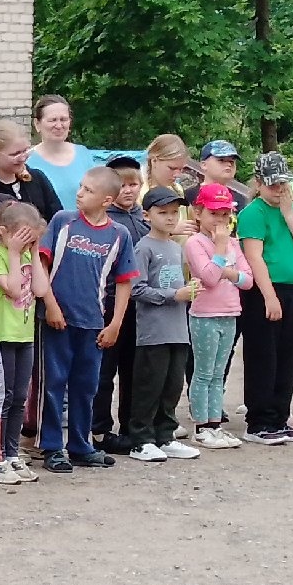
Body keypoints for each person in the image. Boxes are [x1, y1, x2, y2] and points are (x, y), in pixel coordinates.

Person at [37, 164, 135, 472]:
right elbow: (41, 264)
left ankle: (81, 444)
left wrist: (115, 322)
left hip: (93, 323)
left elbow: (123, 281)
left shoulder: (119, 234)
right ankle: (52, 446)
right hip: (57, 321)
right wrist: (50, 305)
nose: (80, 194)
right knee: (53, 384)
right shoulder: (62, 221)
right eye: (80, 187)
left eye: (88, 190)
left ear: (107, 200)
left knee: (86, 386)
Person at [235, 152, 293, 444]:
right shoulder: (252, 213)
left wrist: (289, 213)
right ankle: (259, 421)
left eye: (282, 184)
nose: (277, 190)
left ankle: (280, 416)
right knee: (264, 356)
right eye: (272, 185)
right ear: (258, 183)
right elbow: (254, 257)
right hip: (265, 289)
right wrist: (269, 297)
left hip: (292, 289)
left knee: (288, 356)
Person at [124, 186, 201, 461]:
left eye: (174, 213)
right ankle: (140, 439)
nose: (170, 218)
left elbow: (178, 283)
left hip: (178, 330)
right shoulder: (143, 247)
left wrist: (190, 288)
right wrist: (174, 295)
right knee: (149, 386)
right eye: (163, 212)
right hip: (153, 332)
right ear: (147, 215)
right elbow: (137, 289)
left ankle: (165, 435)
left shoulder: (174, 247)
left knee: (172, 386)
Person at [0, 203, 44, 485]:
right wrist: (15, 254)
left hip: (25, 335)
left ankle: (13, 454)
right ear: (4, 232)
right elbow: (14, 289)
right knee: (1, 398)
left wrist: (35, 252)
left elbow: (40, 290)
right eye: (20, 236)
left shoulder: (29, 253)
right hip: (1, 336)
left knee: (20, 397)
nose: (25, 242)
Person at [184, 183, 251, 448]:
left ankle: (215, 424)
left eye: (225, 214)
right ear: (198, 213)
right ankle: (202, 427)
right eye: (214, 213)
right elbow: (209, 278)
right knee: (203, 372)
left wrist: (229, 271)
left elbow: (248, 280)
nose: (220, 220)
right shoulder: (195, 243)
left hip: (230, 312)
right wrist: (221, 252)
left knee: (218, 372)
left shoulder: (233, 243)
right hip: (204, 315)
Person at [93, 153, 150, 452]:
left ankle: (131, 426)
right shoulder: (106, 222)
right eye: (123, 185)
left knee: (135, 370)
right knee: (104, 372)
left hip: (141, 308)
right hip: (109, 305)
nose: (129, 190)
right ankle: (99, 429)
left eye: (134, 184)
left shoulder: (144, 219)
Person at [0, 118, 62, 222]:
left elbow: (57, 219)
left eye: (25, 151)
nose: (23, 158)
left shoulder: (37, 178)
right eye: (15, 154)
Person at [26, 95, 90, 211]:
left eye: (63, 119)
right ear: (37, 124)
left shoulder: (83, 154)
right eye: (53, 120)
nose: (59, 126)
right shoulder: (27, 161)